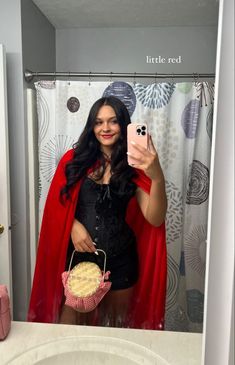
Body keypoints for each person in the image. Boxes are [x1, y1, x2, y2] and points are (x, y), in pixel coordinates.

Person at [28, 96, 167, 329]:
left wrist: (157, 175)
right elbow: (55, 208)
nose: (105, 128)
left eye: (113, 122)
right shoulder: (73, 161)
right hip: (79, 260)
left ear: (123, 126)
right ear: (91, 126)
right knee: (69, 331)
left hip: (122, 263)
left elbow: (154, 217)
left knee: (116, 332)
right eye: (99, 122)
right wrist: (72, 225)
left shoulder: (135, 166)